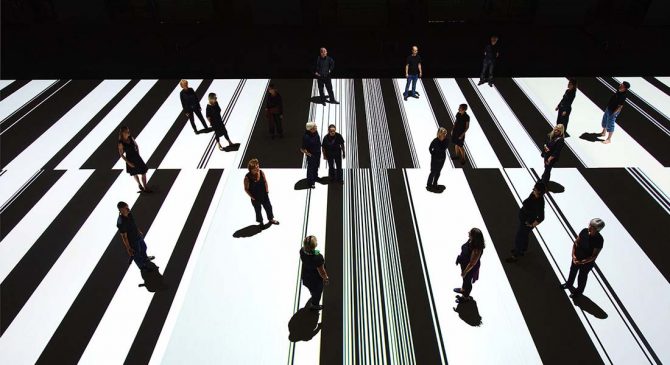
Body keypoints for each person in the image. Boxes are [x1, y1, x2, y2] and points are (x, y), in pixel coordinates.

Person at [560, 219, 605, 298]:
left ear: (597, 230)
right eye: (590, 224)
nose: (589, 227)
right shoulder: (584, 231)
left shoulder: (599, 240)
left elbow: (594, 256)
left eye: (592, 226)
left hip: (586, 263)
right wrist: (573, 256)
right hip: (577, 257)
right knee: (572, 271)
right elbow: (576, 242)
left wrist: (582, 262)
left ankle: (578, 292)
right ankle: (569, 284)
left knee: (582, 277)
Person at [506, 182, 546, 263]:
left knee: (519, 238)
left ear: (539, 192)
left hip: (527, 222)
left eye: (535, 189)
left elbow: (541, 217)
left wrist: (531, 224)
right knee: (525, 235)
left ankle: (515, 256)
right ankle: (523, 250)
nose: (533, 190)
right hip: (524, 219)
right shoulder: (534, 194)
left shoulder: (540, 203)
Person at [117, 201, 155, 270]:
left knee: (144, 247)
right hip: (132, 240)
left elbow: (133, 223)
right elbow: (124, 237)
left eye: (128, 207)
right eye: (126, 208)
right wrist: (128, 248)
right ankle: (142, 267)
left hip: (138, 236)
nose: (128, 209)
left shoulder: (129, 213)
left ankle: (145, 258)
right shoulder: (121, 222)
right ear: (121, 210)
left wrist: (138, 230)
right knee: (136, 254)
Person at [243, 159, 279, 226]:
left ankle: (271, 219)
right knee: (258, 210)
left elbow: (265, 181)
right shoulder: (247, 178)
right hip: (255, 197)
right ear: (251, 169)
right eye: (255, 168)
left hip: (264, 195)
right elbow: (246, 189)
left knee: (269, 207)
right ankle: (261, 222)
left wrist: (267, 191)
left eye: (258, 166)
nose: (257, 168)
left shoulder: (261, 172)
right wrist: (252, 197)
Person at [454, 228, 485, 303]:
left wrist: (465, 272)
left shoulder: (477, 249)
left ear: (474, 236)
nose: (468, 233)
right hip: (464, 264)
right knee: (465, 280)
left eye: (470, 233)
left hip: (469, 268)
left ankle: (465, 297)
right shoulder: (471, 241)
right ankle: (462, 289)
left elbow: (472, 263)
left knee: (467, 282)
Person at [300, 235, 330, 311]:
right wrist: (326, 278)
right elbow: (322, 272)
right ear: (315, 245)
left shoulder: (302, 251)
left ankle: (312, 294)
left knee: (311, 289)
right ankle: (314, 305)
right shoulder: (318, 258)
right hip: (315, 280)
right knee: (317, 293)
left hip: (306, 277)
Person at [117, 126, 150, 192]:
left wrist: (138, 153)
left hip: (137, 157)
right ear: (123, 133)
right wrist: (128, 163)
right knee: (134, 173)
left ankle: (145, 187)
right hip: (130, 159)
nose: (128, 132)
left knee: (144, 171)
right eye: (126, 131)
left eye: (128, 131)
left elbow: (136, 145)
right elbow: (121, 154)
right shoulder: (120, 143)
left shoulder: (131, 138)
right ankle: (139, 184)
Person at [300, 122, 321, 188]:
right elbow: (302, 149)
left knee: (316, 165)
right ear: (311, 129)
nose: (316, 127)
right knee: (311, 168)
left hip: (317, 153)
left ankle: (315, 177)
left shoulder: (316, 132)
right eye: (315, 126)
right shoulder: (306, 137)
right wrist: (309, 155)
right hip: (311, 154)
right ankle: (310, 182)